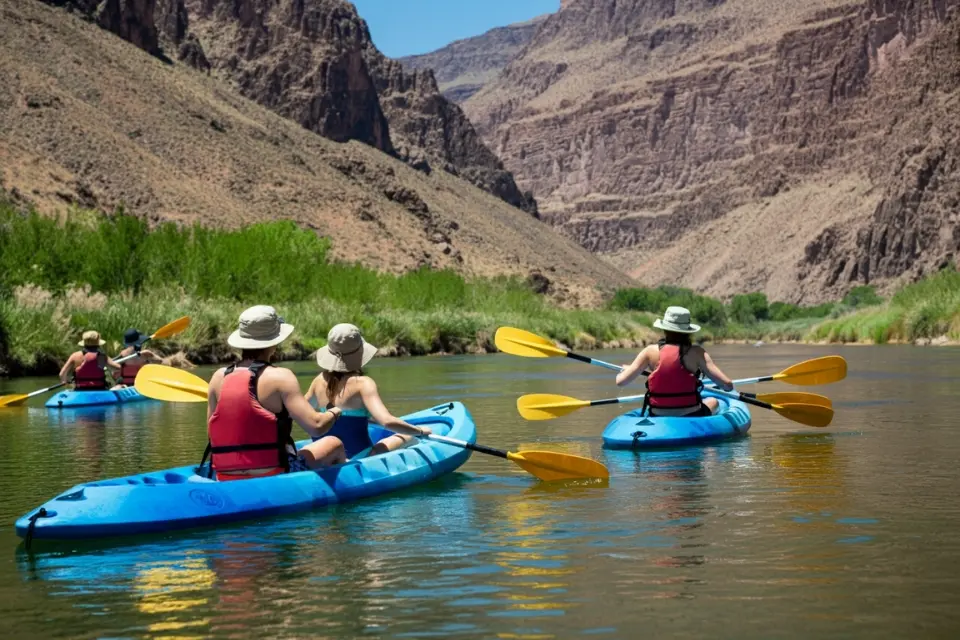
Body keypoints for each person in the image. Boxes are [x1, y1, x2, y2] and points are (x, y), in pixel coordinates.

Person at [205, 306, 346, 481]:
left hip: (225, 476)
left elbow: (212, 434)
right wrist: (334, 412)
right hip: (274, 474)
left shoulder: (218, 377)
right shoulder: (281, 377)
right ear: (274, 343)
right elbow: (316, 426)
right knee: (334, 443)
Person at [305, 323, 432, 459]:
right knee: (405, 435)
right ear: (360, 353)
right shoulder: (363, 384)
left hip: (325, 457)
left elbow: (302, 412)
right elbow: (387, 422)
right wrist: (419, 431)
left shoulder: (319, 380)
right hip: (359, 457)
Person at [615, 306, 734, 417]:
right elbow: (727, 385)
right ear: (687, 331)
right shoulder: (697, 353)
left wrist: (626, 370)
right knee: (713, 401)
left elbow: (621, 382)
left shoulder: (649, 352)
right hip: (690, 413)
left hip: (657, 413)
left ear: (665, 329)